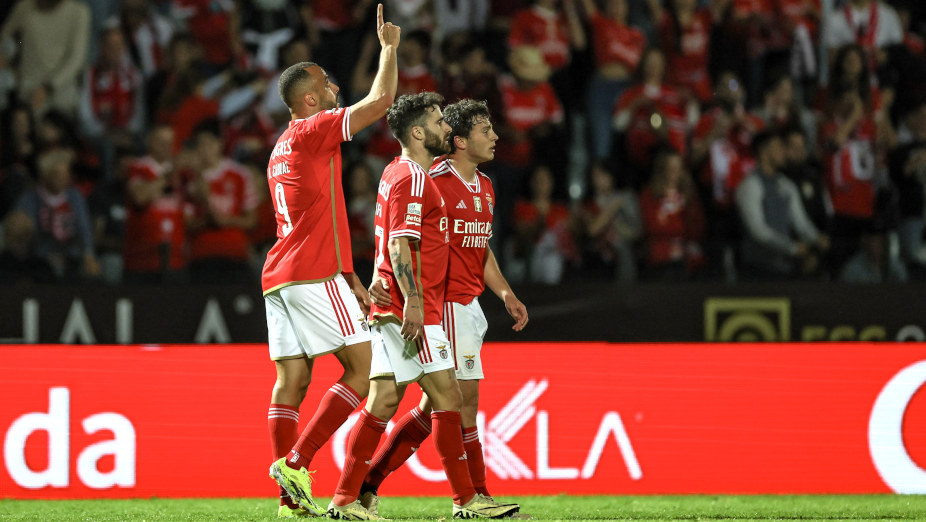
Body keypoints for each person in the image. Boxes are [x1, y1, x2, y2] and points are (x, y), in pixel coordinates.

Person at [326, 92, 518, 520]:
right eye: (437, 121)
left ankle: (347, 497)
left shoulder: (399, 172)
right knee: (449, 399)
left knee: (385, 400)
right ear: (418, 132)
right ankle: (469, 500)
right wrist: (412, 299)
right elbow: (400, 243)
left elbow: (393, 239)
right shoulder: (416, 177)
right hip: (418, 307)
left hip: (402, 305)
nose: (446, 129)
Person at [265, 5, 399, 519]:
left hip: (283, 276)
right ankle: (296, 463)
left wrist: (352, 277)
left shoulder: (282, 146)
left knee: (292, 383)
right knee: (364, 372)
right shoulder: (310, 130)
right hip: (309, 273)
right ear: (308, 99)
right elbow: (381, 100)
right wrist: (388, 47)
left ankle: (289, 501)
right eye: (326, 85)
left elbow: (321, 215)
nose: (335, 89)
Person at [735, 130, 829, 280]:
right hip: (757, 269)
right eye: (779, 147)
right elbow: (757, 230)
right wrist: (791, 248)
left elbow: (800, 222)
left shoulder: (786, 185)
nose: (784, 152)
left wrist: (816, 238)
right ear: (764, 152)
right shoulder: (751, 185)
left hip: (783, 267)